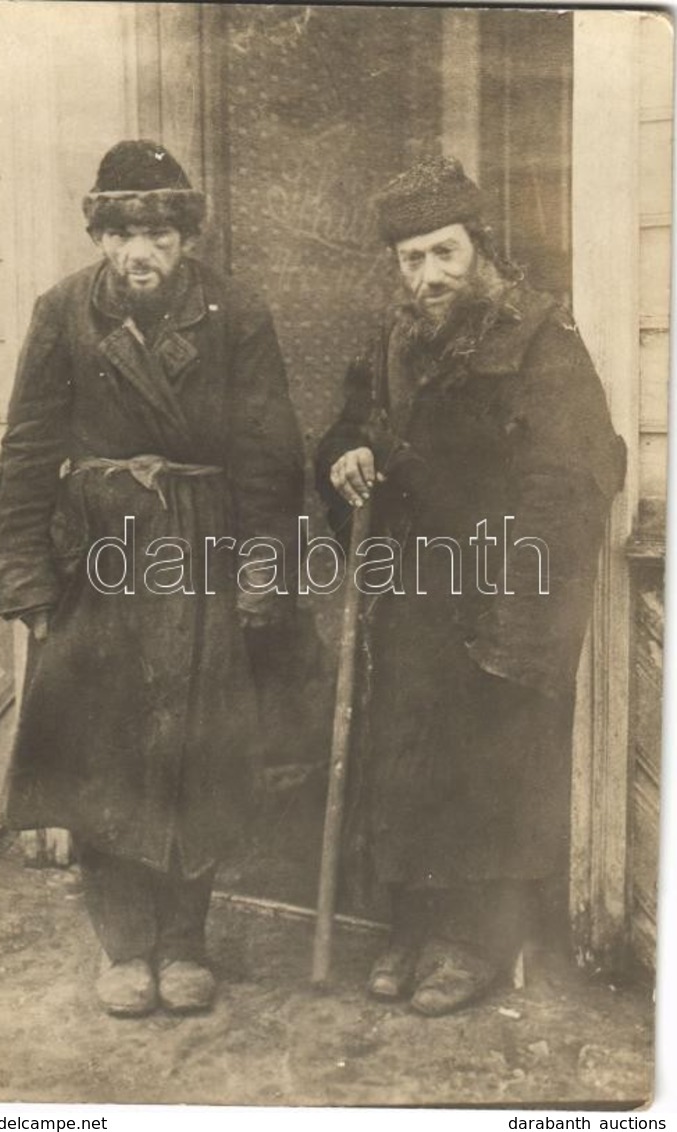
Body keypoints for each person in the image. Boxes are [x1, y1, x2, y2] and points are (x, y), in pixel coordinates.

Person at [0, 140, 304, 1017]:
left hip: (203, 553)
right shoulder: (62, 313)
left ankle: (184, 941)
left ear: (185, 238)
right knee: (106, 752)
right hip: (97, 559)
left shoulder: (233, 312)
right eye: (123, 232)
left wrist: (259, 577)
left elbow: (270, 460)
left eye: (160, 232)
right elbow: (25, 453)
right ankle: (125, 946)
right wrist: (26, 583)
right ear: (98, 234)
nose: (141, 252)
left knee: (196, 749)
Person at [315, 156, 625, 1016]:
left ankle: (476, 943)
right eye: (412, 259)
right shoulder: (393, 339)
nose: (429, 276)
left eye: (444, 253)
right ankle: (411, 927)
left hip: (500, 592)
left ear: (479, 247)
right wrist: (346, 454)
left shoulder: (537, 337)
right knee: (411, 760)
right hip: (413, 589)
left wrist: (522, 612)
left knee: (489, 768)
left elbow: (573, 476)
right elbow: (350, 423)